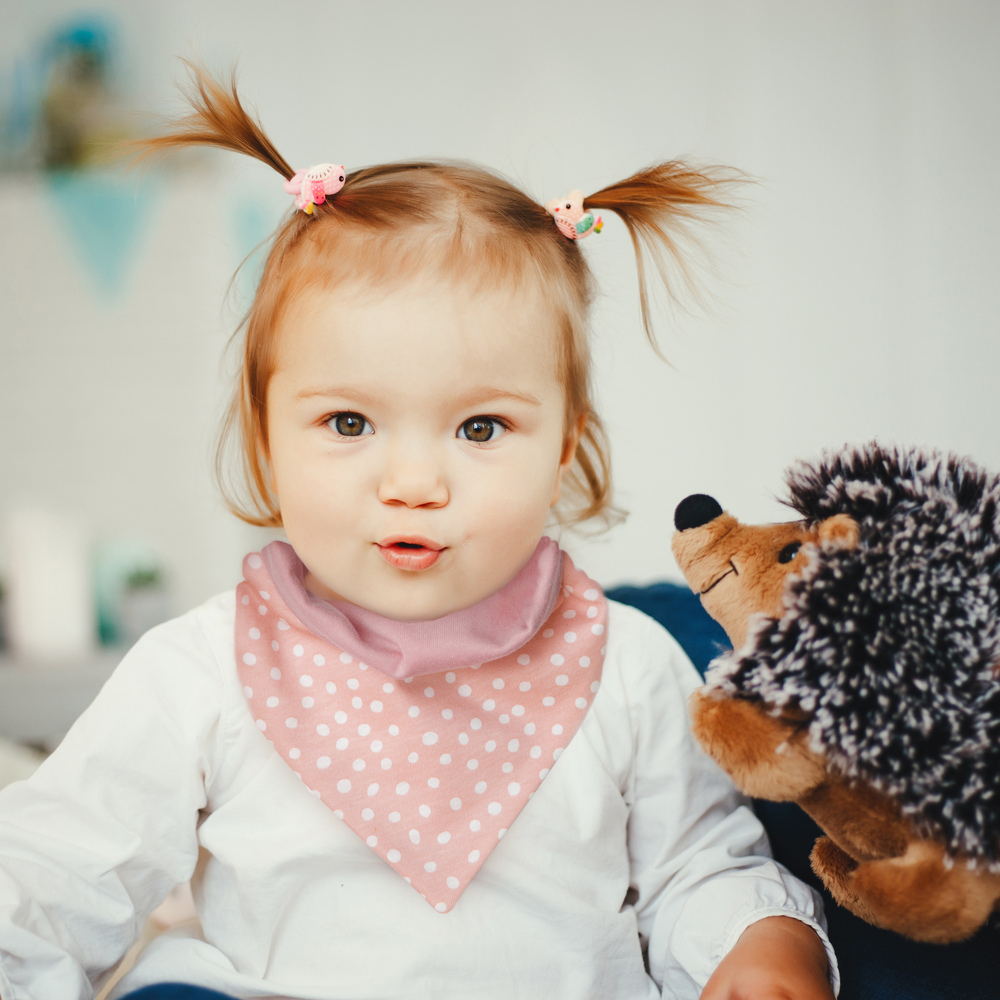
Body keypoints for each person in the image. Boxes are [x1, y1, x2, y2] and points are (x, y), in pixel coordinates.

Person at [0, 66, 838, 1000]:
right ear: (265, 438)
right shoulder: (202, 670)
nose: (413, 484)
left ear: (565, 448)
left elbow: (698, 865)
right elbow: (57, 872)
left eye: (480, 428)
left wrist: (759, 939)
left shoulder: (625, 665)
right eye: (348, 422)